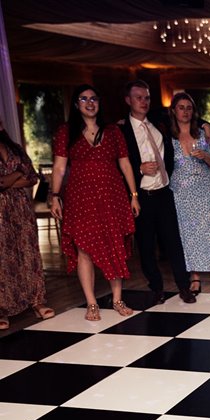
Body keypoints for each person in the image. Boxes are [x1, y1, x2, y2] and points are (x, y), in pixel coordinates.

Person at [50, 85, 140, 321]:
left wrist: (134, 195)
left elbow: (125, 164)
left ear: (99, 103)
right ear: (76, 104)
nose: (90, 103)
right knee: (84, 248)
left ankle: (117, 299)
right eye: (84, 99)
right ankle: (91, 304)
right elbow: (59, 168)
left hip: (112, 195)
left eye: (94, 99)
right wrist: (54, 195)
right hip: (81, 198)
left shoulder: (113, 132)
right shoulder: (66, 132)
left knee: (115, 244)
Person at [119, 80, 196, 306]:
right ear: (128, 101)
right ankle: (156, 288)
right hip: (141, 196)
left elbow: (188, 116)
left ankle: (184, 287)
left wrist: (207, 125)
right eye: (138, 98)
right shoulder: (121, 130)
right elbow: (118, 164)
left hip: (164, 192)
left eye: (147, 98)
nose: (144, 102)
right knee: (146, 245)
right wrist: (139, 169)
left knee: (174, 242)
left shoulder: (159, 122)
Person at [168, 92, 210, 298]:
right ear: (174, 110)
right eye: (181, 107)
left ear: (194, 112)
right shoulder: (168, 137)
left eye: (189, 107)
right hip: (179, 191)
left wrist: (205, 156)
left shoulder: (204, 134)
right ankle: (194, 278)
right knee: (187, 234)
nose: (185, 111)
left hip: (203, 188)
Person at [0, 118, 54, 330]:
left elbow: (31, 177)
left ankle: (36, 300)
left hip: (21, 207)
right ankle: (3, 309)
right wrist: (15, 175)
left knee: (28, 252)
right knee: (4, 257)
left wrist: (9, 180)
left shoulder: (15, 148)